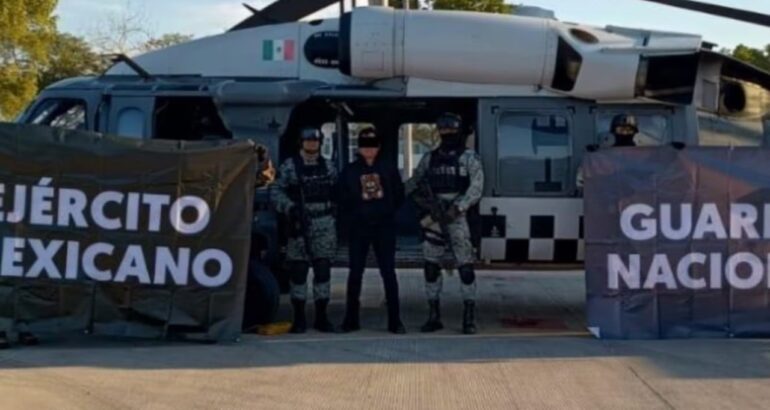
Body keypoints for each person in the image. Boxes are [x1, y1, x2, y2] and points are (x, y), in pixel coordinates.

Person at [406, 113, 484, 335]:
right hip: (433, 218)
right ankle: (434, 315)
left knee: (465, 267)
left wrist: (458, 208)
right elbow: (415, 182)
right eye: (444, 130)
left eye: (452, 131)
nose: (448, 134)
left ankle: (469, 317)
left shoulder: (469, 158)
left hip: (457, 217)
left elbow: (476, 187)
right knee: (431, 266)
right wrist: (393, 194)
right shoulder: (429, 158)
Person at [338, 127, 406, 334]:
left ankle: (395, 321)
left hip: (384, 227)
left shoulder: (388, 168)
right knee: (355, 273)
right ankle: (351, 319)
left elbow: (399, 194)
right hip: (359, 228)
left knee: (388, 272)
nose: (369, 150)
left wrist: (385, 212)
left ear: (378, 147)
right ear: (359, 148)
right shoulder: (350, 171)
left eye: (373, 145)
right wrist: (355, 215)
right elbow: (342, 197)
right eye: (365, 146)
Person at [272, 127, 338, 333]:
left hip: (324, 223)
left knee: (323, 270)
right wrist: (289, 208)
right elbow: (276, 190)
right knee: (298, 271)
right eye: (308, 141)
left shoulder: (328, 167)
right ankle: (299, 317)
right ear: (301, 142)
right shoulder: (290, 166)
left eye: (315, 141)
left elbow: (338, 191)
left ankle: (321, 317)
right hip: (300, 224)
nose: (312, 144)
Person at [576, 114, 639, 192]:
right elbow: (582, 182)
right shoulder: (601, 155)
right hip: (604, 199)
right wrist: (591, 156)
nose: (625, 133)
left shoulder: (641, 155)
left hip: (636, 200)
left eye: (629, 130)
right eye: (621, 130)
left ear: (634, 132)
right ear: (614, 131)